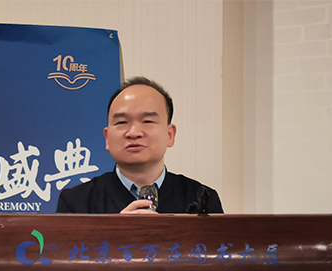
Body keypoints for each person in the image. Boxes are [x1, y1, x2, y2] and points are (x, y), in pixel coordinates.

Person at [56, 76, 223, 214]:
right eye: (122, 122)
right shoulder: (75, 202)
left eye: (147, 121)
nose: (134, 132)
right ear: (107, 138)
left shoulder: (201, 198)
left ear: (170, 135)